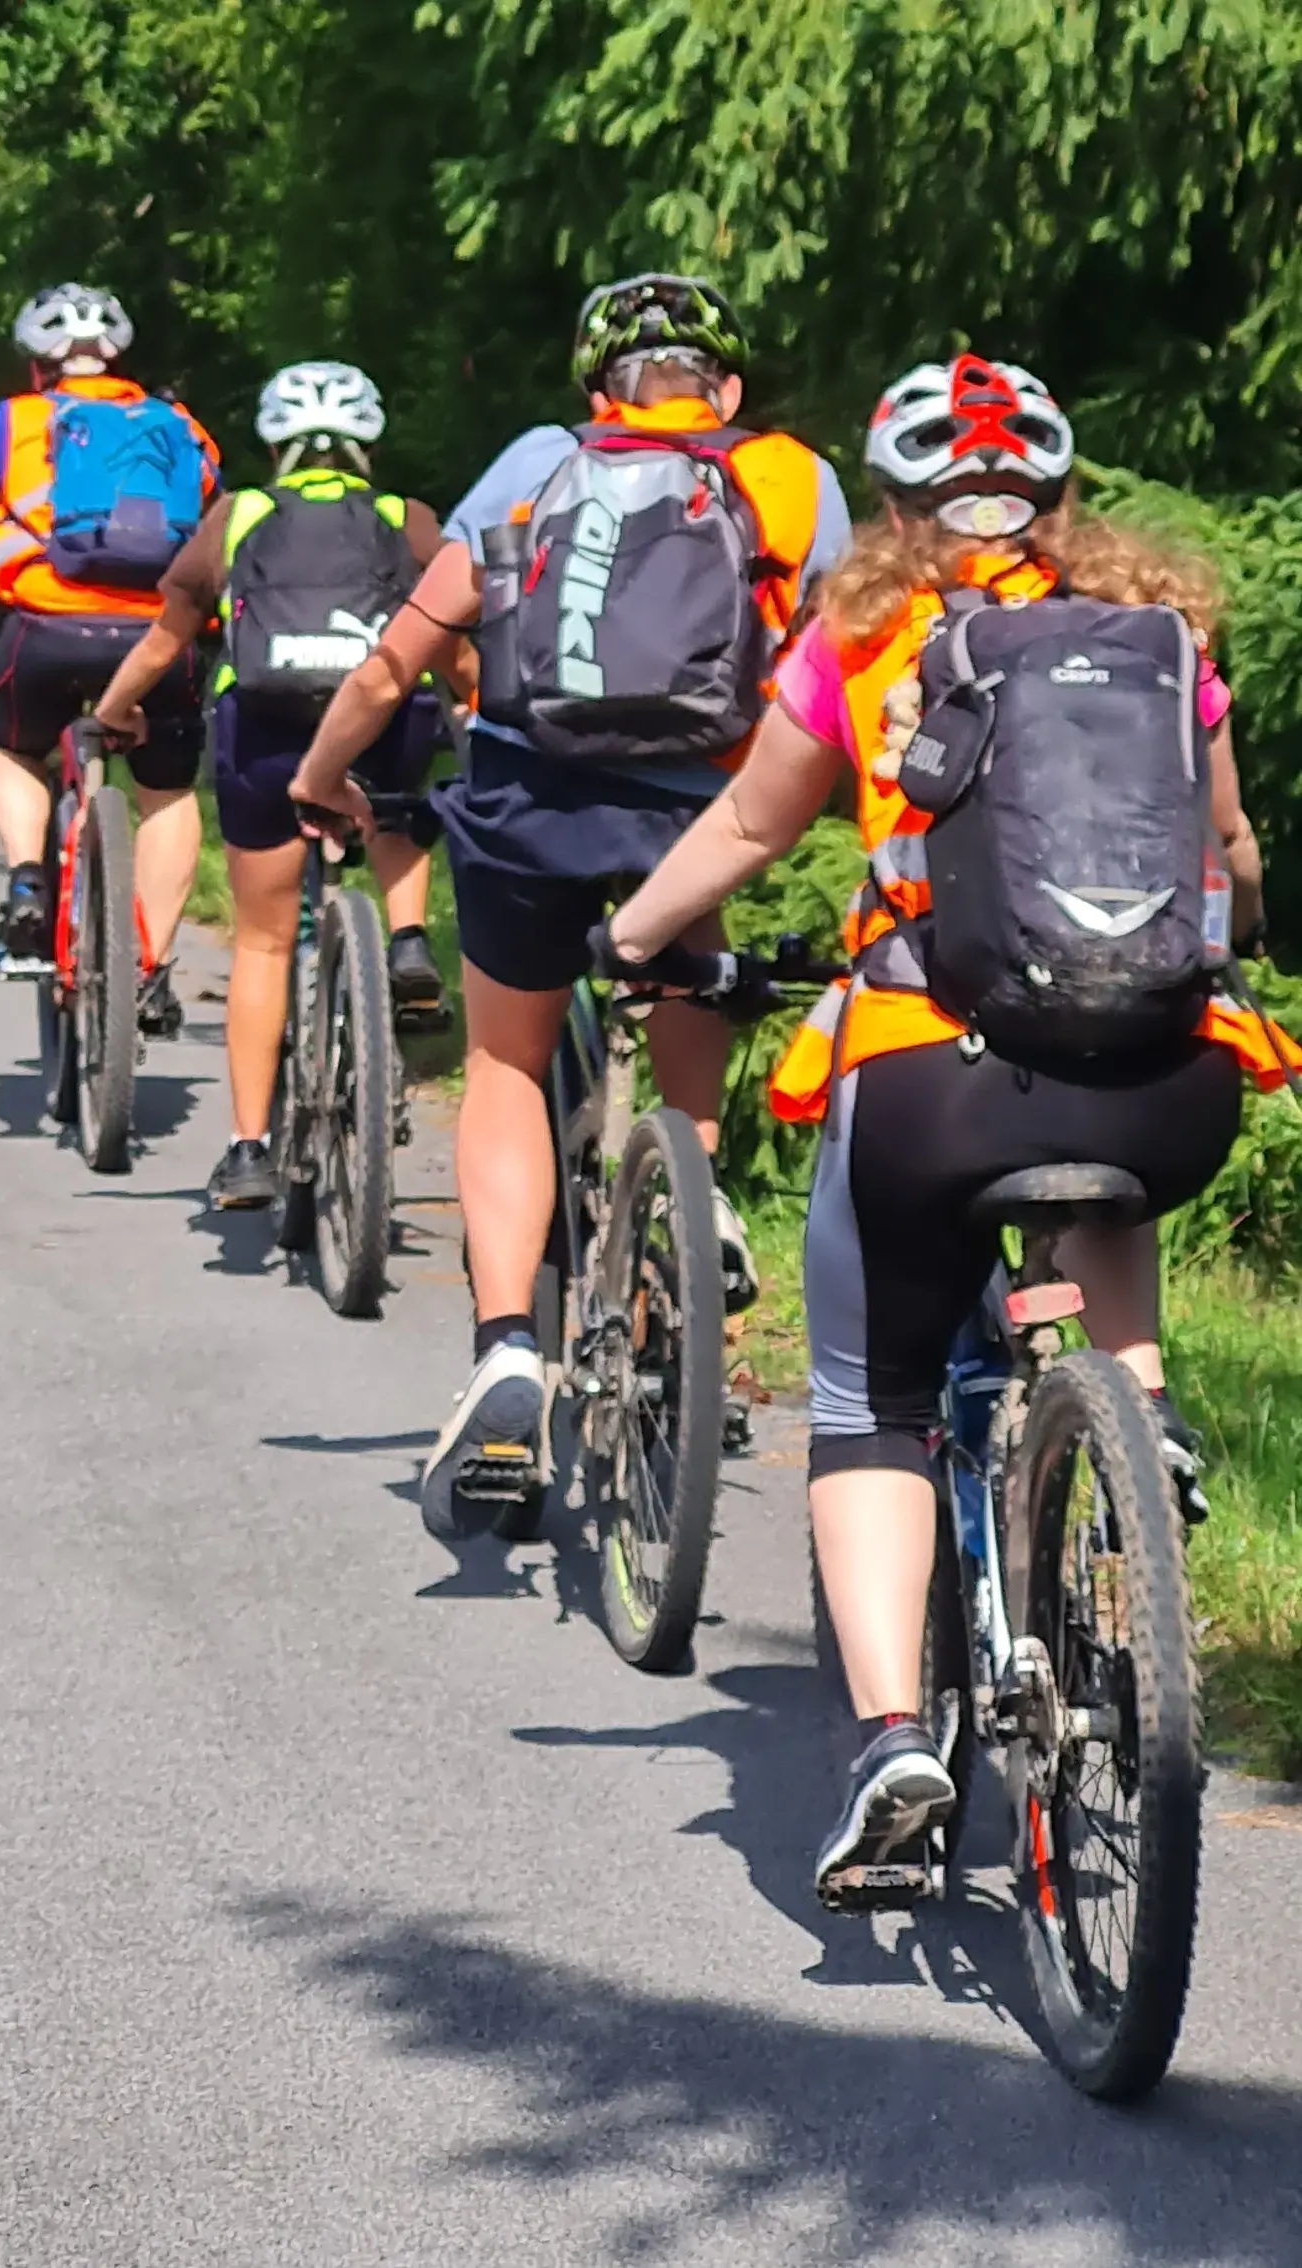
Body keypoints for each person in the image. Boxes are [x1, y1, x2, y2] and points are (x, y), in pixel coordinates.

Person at [590, 354, 1286, 1901]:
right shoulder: (1160, 638)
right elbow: (1231, 851)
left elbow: (752, 822)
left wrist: (632, 938)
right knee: (1109, 1170)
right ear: (1061, 497)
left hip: (936, 1074)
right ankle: (1135, 1438)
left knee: (871, 1396)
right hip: (1170, 1082)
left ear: (899, 507)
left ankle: (893, 1739)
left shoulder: (863, 635)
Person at [288, 273, 847, 1537]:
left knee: (503, 1061)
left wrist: (324, 779)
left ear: (598, 391)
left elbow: (395, 662)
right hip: (700, 812)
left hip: (530, 800)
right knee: (688, 954)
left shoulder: (539, 466)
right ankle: (692, 1214)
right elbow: (843, 666)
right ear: (728, 387)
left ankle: (505, 1347)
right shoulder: (792, 479)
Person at [95, 360, 448, 1209]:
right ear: (368, 445)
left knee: (262, 940)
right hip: (382, 721)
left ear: (274, 445)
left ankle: (249, 1148)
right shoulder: (407, 520)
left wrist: (114, 710)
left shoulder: (239, 516)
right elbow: (455, 641)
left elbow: (166, 640)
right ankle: (407, 942)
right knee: (401, 786)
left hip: (264, 731)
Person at [0, 284, 221, 1027]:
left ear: (38, 364)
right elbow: (213, 533)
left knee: (15, 751)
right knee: (167, 791)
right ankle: (152, 969)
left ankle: (26, 883)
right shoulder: (179, 426)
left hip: (48, 631)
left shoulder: (14, 421)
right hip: (158, 638)